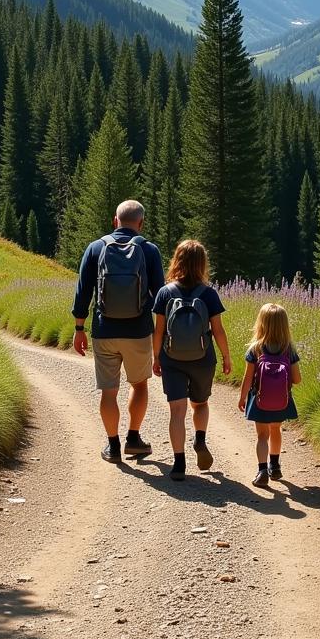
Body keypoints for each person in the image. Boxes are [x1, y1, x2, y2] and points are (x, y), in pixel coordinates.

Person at [72, 199, 164, 463]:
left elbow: (83, 292)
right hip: (138, 330)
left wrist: (79, 328)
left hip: (104, 330)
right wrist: (161, 334)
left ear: (115, 220)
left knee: (109, 391)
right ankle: (133, 438)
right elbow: (160, 296)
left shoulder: (95, 248)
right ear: (140, 223)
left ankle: (112, 446)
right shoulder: (149, 250)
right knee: (139, 384)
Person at [152, 239, 231, 481]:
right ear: (202, 264)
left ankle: (178, 463)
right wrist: (226, 357)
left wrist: (156, 358)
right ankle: (200, 439)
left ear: (177, 261)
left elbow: (159, 331)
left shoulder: (165, 293)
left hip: (172, 358)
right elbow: (218, 330)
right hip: (203, 358)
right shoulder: (208, 294)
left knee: (177, 411)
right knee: (201, 403)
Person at [238, 303, 301, 488]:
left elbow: (248, 378)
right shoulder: (289, 350)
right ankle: (275, 465)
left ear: (261, 323)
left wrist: (242, 397)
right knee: (276, 430)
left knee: (262, 436)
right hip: (282, 401)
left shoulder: (255, 349)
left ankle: (262, 470)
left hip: (259, 400)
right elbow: (297, 379)